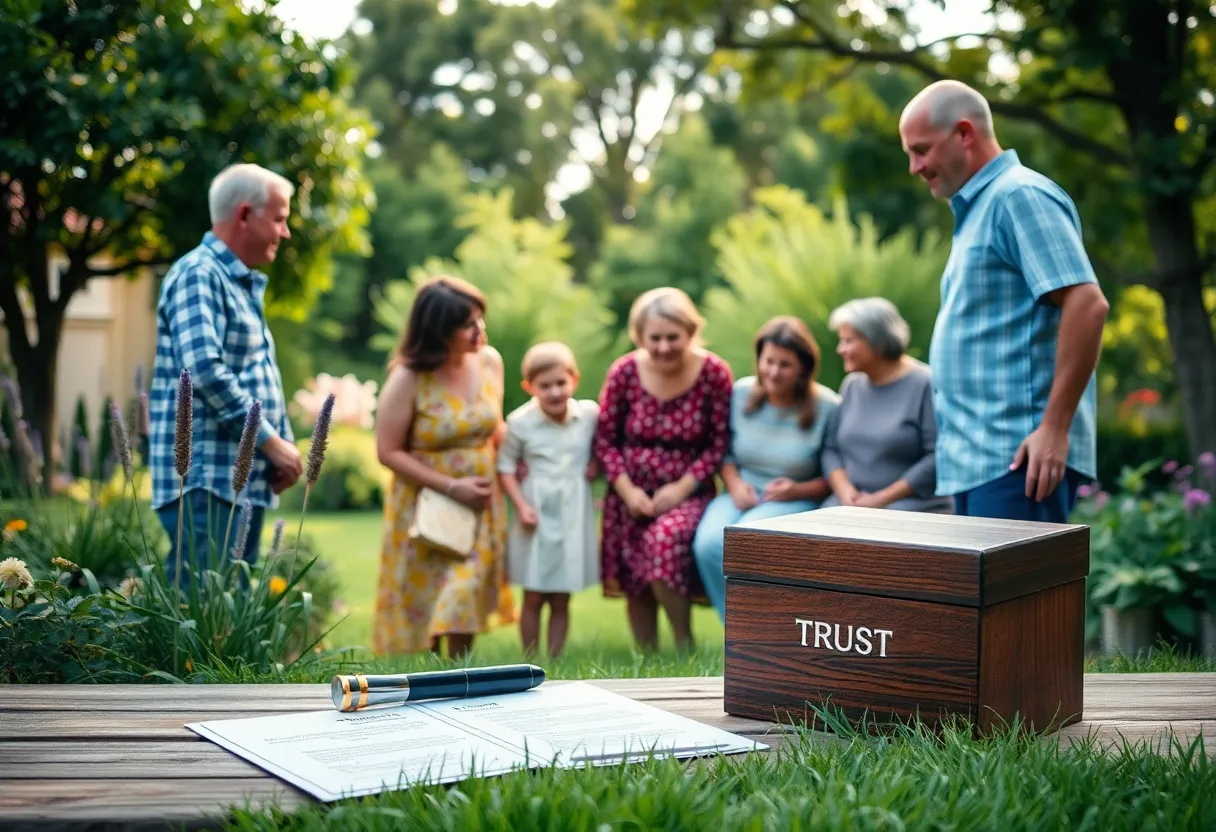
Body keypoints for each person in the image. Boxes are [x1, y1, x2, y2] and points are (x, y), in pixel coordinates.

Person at [899, 80, 1109, 522]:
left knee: (1023, 596)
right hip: (978, 463)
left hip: (1020, 461)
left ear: (964, 133)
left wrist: (1054, 429)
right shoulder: (978, 210)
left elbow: (1087, 304)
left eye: (922, 150)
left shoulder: (1018, 195)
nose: (915, 167)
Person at [149, 163, 302, 585]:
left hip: (235, 481)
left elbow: (249, 373)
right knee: (203, 615)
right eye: (279, 219)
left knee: (227, 621)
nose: (285, 233)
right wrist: (272, 444)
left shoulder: (235, 282)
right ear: (244, 216)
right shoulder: (200, 274)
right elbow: (204, 371)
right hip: (206, 479)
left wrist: (277, 450)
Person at [371, 276, 516, 658]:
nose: (479, 331)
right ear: (438, 331)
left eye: (480, 320)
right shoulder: (408, 376)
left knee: (464, 594)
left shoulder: (490, 362)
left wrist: (519, 464)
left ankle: (458, 674)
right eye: (467, 325)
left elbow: (492, 426)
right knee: (429, 598)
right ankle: (429, 673)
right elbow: (387, 451)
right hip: (424, 505)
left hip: (479, 501)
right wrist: (450, 487)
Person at [593, 287, 733, 652]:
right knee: (633, 565)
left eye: (674, 337)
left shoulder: (714, 373)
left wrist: (682, 488)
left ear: (691, 332)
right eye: (654, 338)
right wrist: (627, 491)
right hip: (630, 490)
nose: (664, 347)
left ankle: (684, 646)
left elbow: (719, 443)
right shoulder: (624, 372)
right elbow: (605, 439)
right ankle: (648, 657)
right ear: (639, 336)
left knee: (663, 541)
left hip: (687, 490)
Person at [692, 316, 839, 621]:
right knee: (707, 544)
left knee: (742, 540)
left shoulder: (828, 407)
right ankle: (731, 627)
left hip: (796, 497)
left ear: (803, 367)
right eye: (768, 361)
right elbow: (725, 451)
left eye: (784, 364)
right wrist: (733, 483)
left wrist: (796, 490)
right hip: (743, 488)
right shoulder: (741, 393)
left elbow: (834, 474)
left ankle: (760, 626)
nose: (773, 371)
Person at [497, 341, 600, 659]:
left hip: (573, 511)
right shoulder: (520, 422)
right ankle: (530, 658)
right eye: (545, 386)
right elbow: (505, 466)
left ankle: (554, 660)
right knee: (534, 591)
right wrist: (521, 505)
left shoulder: (589, 414)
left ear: (574, 380)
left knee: (561, 594)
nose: (555, 392)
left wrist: (595, 463)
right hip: (537, 511)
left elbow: (601, 447)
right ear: (529, 387)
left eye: (561, 383)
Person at [820, 298, 953, 514]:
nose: (840, 349)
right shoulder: (852, 385)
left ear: (878, 342)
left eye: (848, 341)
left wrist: (879, 499)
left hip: (912, 506)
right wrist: (846, 492)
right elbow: (831, 449)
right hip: (851, 503)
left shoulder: (925, 384)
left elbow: (937, 456)